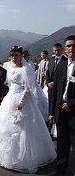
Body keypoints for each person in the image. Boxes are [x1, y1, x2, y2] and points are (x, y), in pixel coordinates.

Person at [0, 47, 56, 174]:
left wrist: (21, 101)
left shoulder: (26, 69)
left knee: (22, 128)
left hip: (22, 98)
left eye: (16, 56)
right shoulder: (10, 67)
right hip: (10, 97)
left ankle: (23, 158)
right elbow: (8, 85)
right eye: (12, 56)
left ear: (21, 56)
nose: (14, 58)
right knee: (4, 126)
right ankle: (2, 155)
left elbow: (28, 88)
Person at [49, 35, 75, 175]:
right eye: (69, 46)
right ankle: (60, 170)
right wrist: (52, 112)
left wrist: (70, 104)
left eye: (74, 45)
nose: (71, 49)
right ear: (65, 49)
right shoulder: (62, 65)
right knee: (62, 144)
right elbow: (55, 92)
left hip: (73, 111)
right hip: (61, 112)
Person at [46, 43, 67, 133]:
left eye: (58, 50)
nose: (56, 52)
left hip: (60, 88)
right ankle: (50, 125)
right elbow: (47, 73)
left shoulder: (65, 60)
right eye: (55, 50)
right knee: (50, 104)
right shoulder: (51, 60)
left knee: (58, 106)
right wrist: (48, 83)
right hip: (51, 88)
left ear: (62, 49)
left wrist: (56, 83)